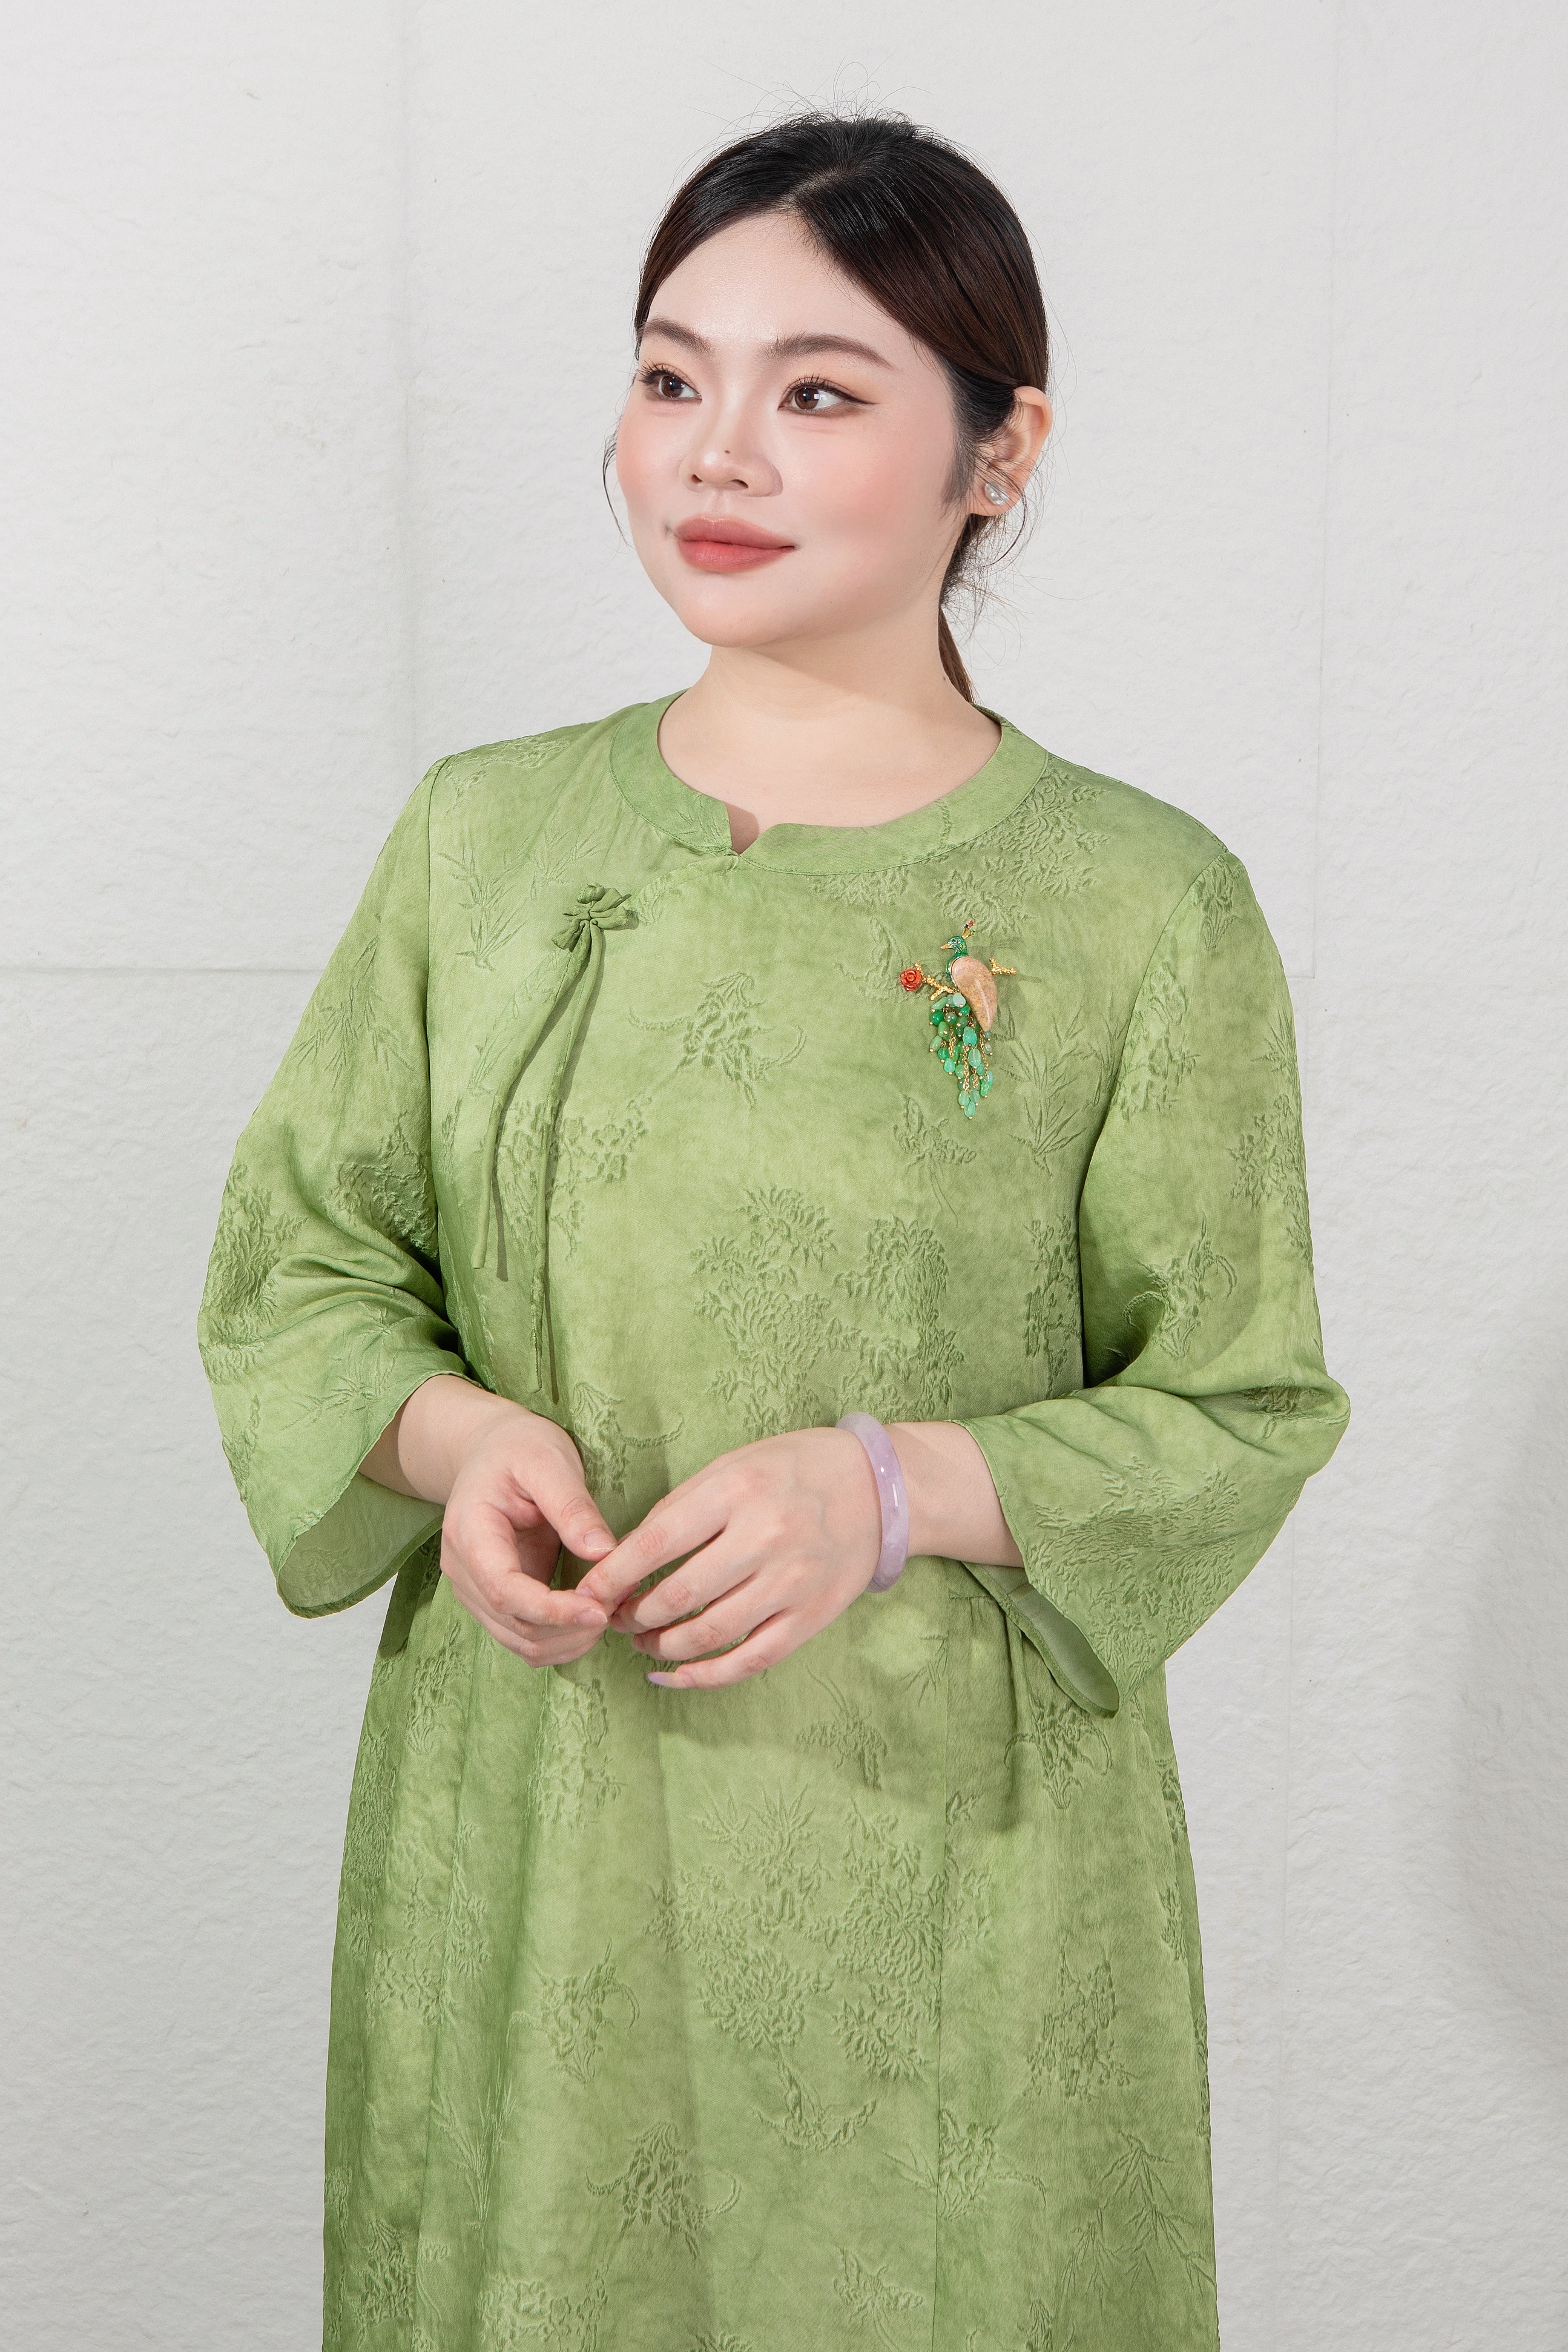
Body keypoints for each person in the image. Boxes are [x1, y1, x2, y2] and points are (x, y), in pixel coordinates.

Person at [199, 110, 1349, 2352]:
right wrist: (452, 1441)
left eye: (818, 391)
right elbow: (299, 1265)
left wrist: (891, 1489)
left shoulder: (1139, 904)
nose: (713, 453)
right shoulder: (484, 846)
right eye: (670, 377)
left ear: (1001, 451)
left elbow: (1242, 1401)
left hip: (953, 1853)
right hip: (537, 1807)